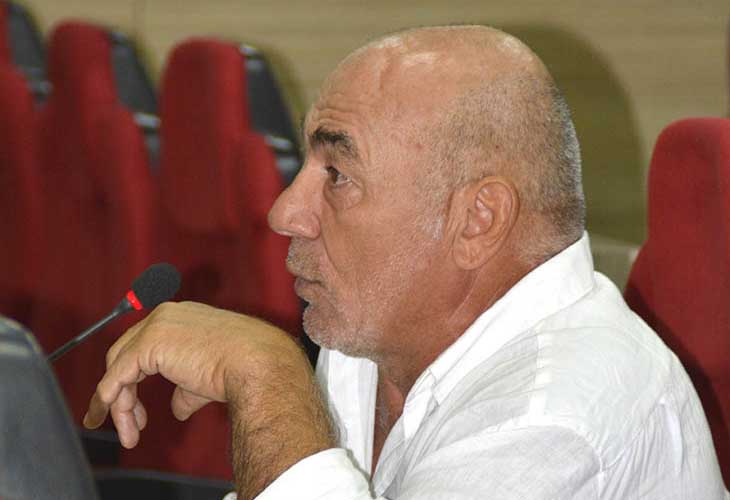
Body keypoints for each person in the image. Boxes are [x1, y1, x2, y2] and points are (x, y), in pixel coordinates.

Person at [84, 25, 728, 499]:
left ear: (477, 221)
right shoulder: (376, 337)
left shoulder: (555, 418)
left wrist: (268, 376)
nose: (285, 212)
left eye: (338, 174)